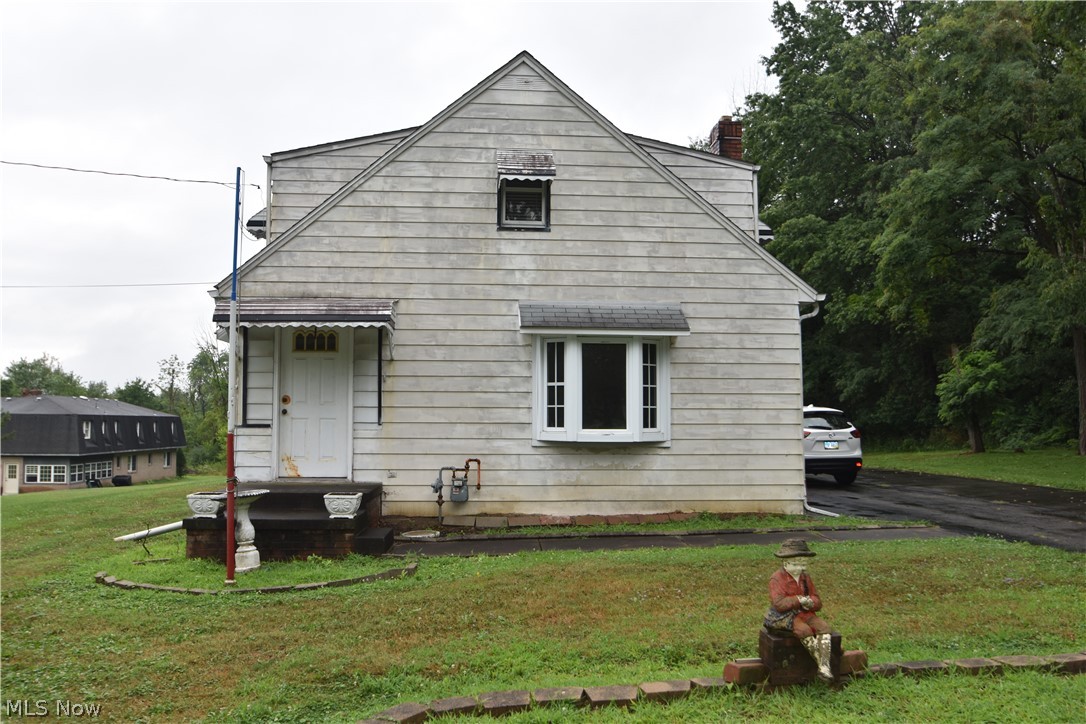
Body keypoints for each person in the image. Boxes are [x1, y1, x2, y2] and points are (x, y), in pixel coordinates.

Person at [763, 538, 835, 681]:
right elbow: (779, 604)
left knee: (824, 627)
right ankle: (822, 665)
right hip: (786, 616)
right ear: (785, 562)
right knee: (804, 630)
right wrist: (798, 599)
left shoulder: (805, 578)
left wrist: (810, 602)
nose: (799, 568)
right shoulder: (777, 579)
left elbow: (817, 601)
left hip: (805, 612)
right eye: (795, 564)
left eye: (803, 564)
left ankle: (824, 666)